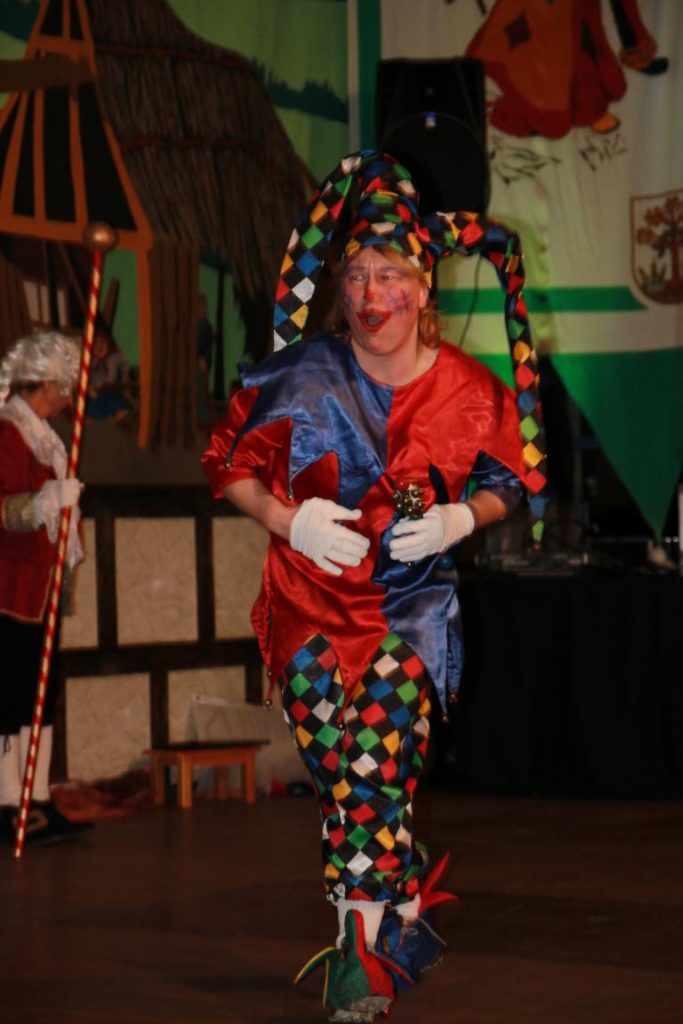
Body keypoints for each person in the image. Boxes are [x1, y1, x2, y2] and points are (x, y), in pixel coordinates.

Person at [202, 151, 546, 1022]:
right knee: (346, 781)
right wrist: (285, 520)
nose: (369, 292)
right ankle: (398, 891)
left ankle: (357, 962)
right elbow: (226, 462)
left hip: (407, 614)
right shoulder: (300, 373)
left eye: (389, 274)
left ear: (423, 287)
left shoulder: (469, 390)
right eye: (355, 274)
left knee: (367, 776)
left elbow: (509, 479)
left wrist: (461, 518)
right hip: (306, 610)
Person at [0, 331, 91, 845]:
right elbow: (3, 509)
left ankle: (36, 798)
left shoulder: (44, 436)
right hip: (11, 591)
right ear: (48, 384)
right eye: (65, 387)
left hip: (43, 590)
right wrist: (44, 501)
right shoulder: (9, 433)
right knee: (11, 696)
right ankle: (7, 801)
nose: (68, 398)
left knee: (42, 691)